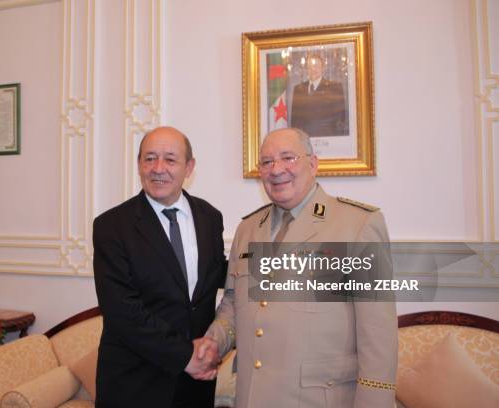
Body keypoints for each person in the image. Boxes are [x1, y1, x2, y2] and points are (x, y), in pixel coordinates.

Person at [202, 128, 397, 407]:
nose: (276, 169)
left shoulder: (358, 225)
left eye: (288, 158)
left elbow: (379, 334)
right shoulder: (247, 229)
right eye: (266, 162)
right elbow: (234, 305)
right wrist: (213, 342)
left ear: (313, 164)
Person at [92, 126, 226, 408]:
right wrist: (185, 357)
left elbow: (217, 277)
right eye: (149, 158)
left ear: (189, 167)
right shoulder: (111, 226)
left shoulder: (210, 217)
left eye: (170, 159)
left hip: (195, 385)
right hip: (135, 383)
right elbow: (122, 311)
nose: (158, 168)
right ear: (139, 165)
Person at [290, 53, 348, 136]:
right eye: (309, 67)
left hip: (327, 139)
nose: (313, 69)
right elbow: (294, 120)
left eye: (316, 66)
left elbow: (340, 118)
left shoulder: (334, 88)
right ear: (306, 69)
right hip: (304, 140)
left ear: (323, 68)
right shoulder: (298, 89)